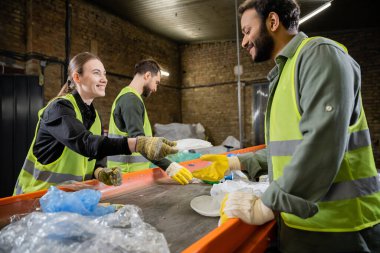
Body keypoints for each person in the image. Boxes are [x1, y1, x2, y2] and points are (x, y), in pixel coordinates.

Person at [192, 0, 380, 252]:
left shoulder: (319, 55)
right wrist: (236, 162)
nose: (244, 42)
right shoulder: (284, 73)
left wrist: (266, 204)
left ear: (272, 22)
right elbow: (290, 149)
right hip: (301, 225)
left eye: (247, 31)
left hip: (341, 229)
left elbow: (321, 146)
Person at [14, 52, 178, 195]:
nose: (104, 79)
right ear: (77, 77)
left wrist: (100, 172)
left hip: (67, 204)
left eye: (104, 74)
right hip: (34, 201)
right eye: (96, 73)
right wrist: (138, 144)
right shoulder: (58, 109)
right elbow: (84, 143)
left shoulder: (95, 117)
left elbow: (96, 157)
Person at [107, 59, 193, 185]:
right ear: (147, 76)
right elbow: (140, 142)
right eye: (156, 83)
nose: (155, 89)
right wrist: (169, 166)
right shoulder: (131, 100)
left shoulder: (129, 97)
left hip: (130, 175)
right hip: (127, 176)